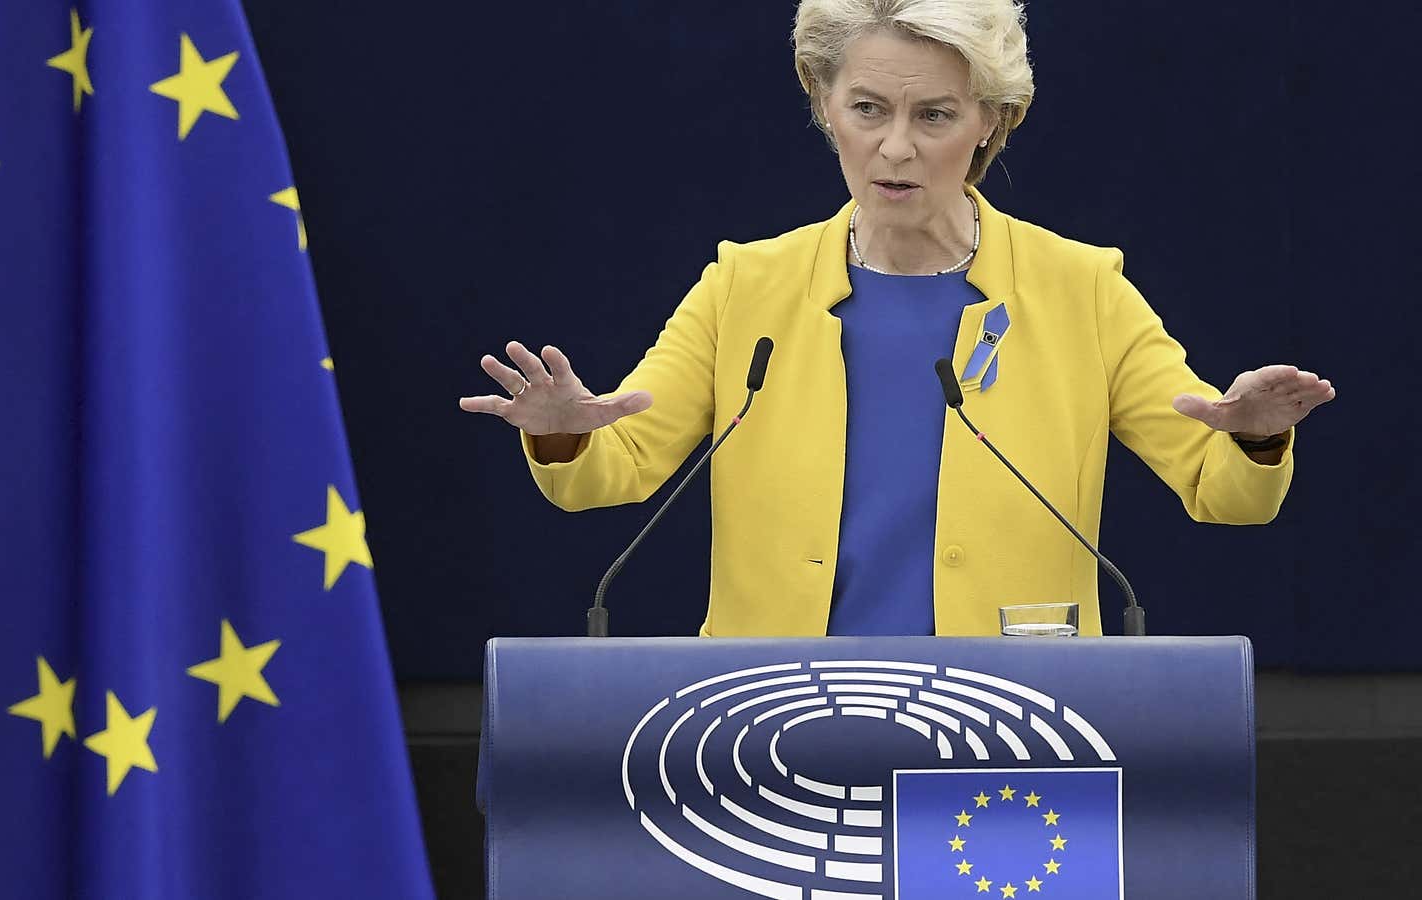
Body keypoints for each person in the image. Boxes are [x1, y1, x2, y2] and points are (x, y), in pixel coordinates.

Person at [458, 0, 1335, 637]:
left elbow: (1223, 494)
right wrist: (566, 434)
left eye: (935, 115)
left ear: (993, 120)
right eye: (868, 109)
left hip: (1012, 717)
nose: (897, 147)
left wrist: (1252, 437)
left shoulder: (1081, 288)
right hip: (773, 716)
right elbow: (616, 470)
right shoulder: (745, 286)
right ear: (823, 102)